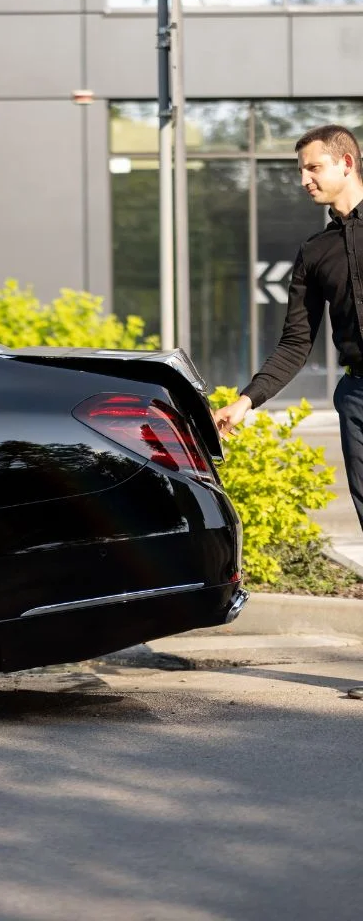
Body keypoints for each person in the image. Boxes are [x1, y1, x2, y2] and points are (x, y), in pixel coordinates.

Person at [212, 123, 363, 701]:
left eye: (312, 168)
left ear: (345, 163)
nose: (304, 180)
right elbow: (296, 345)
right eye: (300, 171)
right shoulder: (315, 252)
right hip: (357, 400)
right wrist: (247, 401)